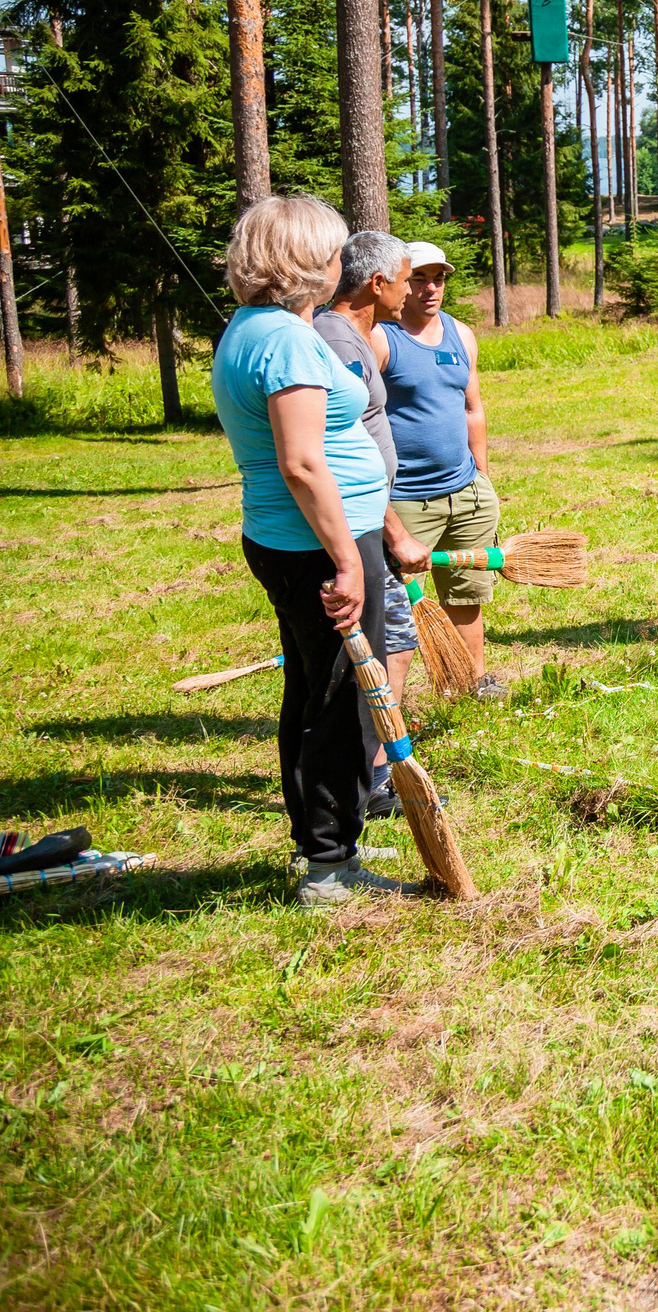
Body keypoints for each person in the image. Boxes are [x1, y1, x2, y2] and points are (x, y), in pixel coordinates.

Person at [211, 195, 425, 907]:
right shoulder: (286, 341)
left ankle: (329, 839)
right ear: (306, 261)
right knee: (341, 701)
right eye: (333, 251)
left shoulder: (255, 327)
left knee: (313, 690)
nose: (340, 263)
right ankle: (331, 867)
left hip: (299, 539)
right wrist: (347, 559)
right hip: (317, 543)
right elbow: (303, 463)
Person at [314, 232, 436, 816]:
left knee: (397, 639)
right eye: (406, 279)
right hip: (358, 527)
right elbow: (335, 451)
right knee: (365, 654)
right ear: (377, 283)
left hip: (368, 521)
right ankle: (364, 779)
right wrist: (395, 532)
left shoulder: (358, 336)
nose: (412, 291)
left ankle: (378, 766)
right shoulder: (335, 341)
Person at [382, 240, 505, 698]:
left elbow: (473, 408)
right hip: (405, 499)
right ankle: (385, 705)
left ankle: (470, 683)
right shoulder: (382, 338)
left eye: (438, 279)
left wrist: (482, 478)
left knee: (466, 593)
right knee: (397, 605)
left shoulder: (461, 333)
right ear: (400, 282)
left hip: (465, 490)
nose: (430, 288)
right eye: (419, 278)